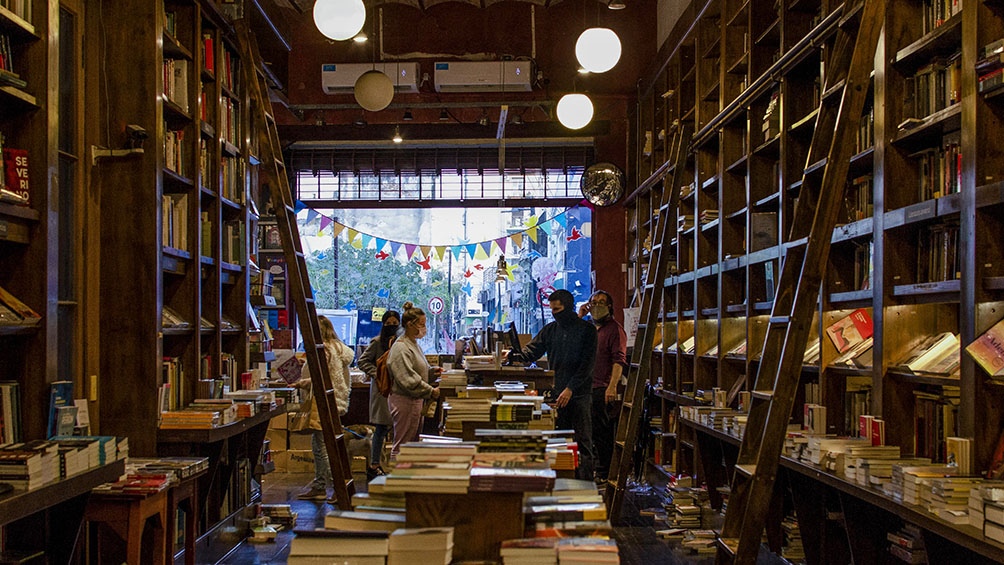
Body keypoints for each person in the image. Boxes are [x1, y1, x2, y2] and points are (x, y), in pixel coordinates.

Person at [509, 289, 598, 481]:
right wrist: (512, 355)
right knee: (560, 441)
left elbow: (587, 365)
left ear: (569, 307)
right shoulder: (550, 330)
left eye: (557, 309)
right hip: (558, 392)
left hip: (580, 393)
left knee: (583, 440)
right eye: (552, 310)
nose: (554, 313)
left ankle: (586, 484)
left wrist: (570, 388)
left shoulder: (588, 330)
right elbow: (532, 351)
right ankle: (563, 482)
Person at [294, 316, 355, 501]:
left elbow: (322, 378)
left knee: (323, 446)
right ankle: (320, 484)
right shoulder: (339, 348)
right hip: (335, 401)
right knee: (320, 444)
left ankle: (337, 488)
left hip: (323, 402)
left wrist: (301, 383)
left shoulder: (324, 350)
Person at [578, 290, 628, 483]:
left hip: (602, 387)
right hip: (585, 387)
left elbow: (619, 360)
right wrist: (580, 316)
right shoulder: (587, 327)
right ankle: (591, 470)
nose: (597, 306)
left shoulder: (615, 330)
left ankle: (604, 472)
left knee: (602, 432)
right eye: (594, 302)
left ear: (609, 307)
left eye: (601, 302)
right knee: (586, 432)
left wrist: (612, 386)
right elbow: (572, 339)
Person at [387, 301, 440, 459]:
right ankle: (397, 473)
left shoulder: (413, 344)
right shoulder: (401, 347)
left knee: (410, 444)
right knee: (402, 446)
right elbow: (408, 378)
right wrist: (431, 391)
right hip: (405, 401)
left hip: (414, 401)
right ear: (410, 325)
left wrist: (432, 372)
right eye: (422, 324)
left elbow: (418, 369)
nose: (424, 328)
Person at [356, 309, 400, 480]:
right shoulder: (376, 342)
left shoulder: (401, 343)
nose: (391, 326)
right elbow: (362, 361)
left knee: (397, 428)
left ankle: (394, 464)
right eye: (388, 324)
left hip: (398, 389)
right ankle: (374, 465)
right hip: (382, 390)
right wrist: (377, 373)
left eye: (395, 323)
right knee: (381, 428)